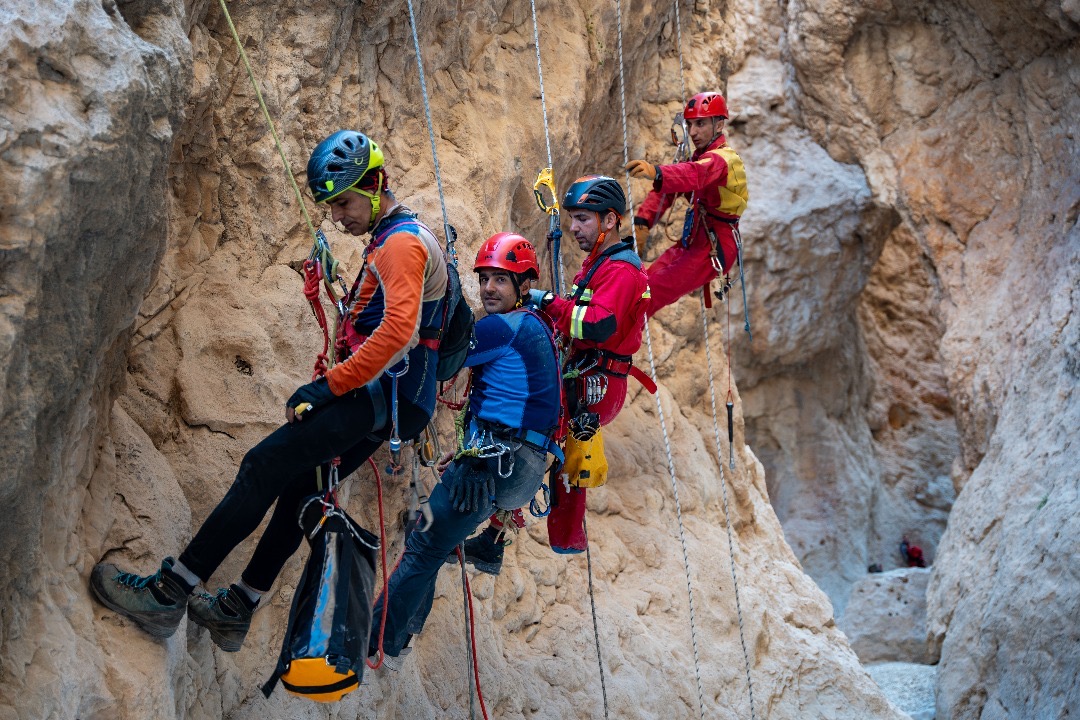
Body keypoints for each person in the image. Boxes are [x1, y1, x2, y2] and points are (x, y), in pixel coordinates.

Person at [89, 130, 449, 653]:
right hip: (399, 401)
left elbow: (397, 333)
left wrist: (328, 387)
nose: (338, 217)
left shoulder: (400, 243)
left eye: (344, 203)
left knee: (262, 466)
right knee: (301, 489)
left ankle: (170, 592)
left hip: (378, 394)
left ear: (375, 185)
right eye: (331, 207)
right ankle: (238, 607)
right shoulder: (402, 235)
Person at [369, 233, 562, 669]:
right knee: (428, 538)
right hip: (521, 467)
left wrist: (438, 294)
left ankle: (375, 642)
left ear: (524, 286)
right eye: (484, 278)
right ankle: (400, 638)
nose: (489, 288)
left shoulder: (504, 327)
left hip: (497, 461)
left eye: (501, 279)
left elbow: (446, 361)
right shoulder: (534, 326)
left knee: (423, 546)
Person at [461, 175, 651, 570]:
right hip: (589, 374)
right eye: (572, 219)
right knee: (546, 435)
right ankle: (496, 536)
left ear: (610, 220)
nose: (574, 228)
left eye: (583, 219)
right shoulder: (602, 265)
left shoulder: (621, 271)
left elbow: (597, 325)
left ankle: (499, 529)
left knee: (540, 430)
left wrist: (547, 301)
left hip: (596, 381)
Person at [625, 91, 749, 316]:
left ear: (719, 125)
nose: (692, 132)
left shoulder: (723, 160)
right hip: (695, 239)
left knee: (653, 292)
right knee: (643, 287)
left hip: (714, 246)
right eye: (690, 124)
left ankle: (618, 336)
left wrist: (657, 172)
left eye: (700, 124)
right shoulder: (701, 158)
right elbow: (671, 191)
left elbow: (693, 174)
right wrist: (643, 221)